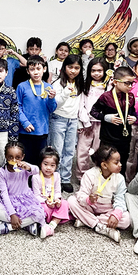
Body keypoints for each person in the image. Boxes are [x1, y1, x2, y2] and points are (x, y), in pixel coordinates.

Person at [68, 145, 130, 242]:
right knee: (71, 201)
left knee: (126, 219)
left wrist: (115, 214)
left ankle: (87, 221)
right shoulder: (89, 174)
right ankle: (100, 227)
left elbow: (120, 198)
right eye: (116, 162)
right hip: (90, 207)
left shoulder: (120, 178)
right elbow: (81, 195)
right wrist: (89, 199)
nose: (120, 165)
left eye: (120, 161)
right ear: (104, 165)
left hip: (107, 208)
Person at [0, 140, 46, 237]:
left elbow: (37, 171)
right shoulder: (1, 171)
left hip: (25, 200)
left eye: (18, 157)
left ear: (22, 157)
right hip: (8, 199)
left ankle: (8, 227)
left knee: (39, 214)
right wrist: (12, 214)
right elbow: (4, 194)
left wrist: (28, 168)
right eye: (10, 157)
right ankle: (25, 225)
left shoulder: (24, 167)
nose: (14, 160)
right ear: (6, 156)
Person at [90, 66, 136, 178]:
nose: (130, 86)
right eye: (127, 83)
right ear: (115, 82)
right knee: (106, 162)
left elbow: (133, 111)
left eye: (132, 83)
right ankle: (101, 185)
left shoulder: (130, 96)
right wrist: (106, 117)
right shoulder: (106, 97)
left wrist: (133, 117)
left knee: (122, 162)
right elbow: (93, 111)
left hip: (125, 138)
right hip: (108, 138)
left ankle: (119, 186)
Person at [48, 54, 84, 192]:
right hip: (59, 119)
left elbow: (79, 104)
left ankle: (65, 179)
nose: (73, 71)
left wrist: (79, 122)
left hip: (73, 120)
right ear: (64, 68)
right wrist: (64, 93)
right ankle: (54, 177)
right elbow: (55, 105)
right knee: (57, 150)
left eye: (76, 68)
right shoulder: (57, 83)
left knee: (69, 151)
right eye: (70, 67)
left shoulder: (79, 83)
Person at [16, 55, 57, 164]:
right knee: (25, 160)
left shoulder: (49, 87)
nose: (35, 72)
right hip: (25, 131)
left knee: (39, 161)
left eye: (38, 69)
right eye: (32, 69)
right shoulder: (22, 86)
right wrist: (25, 123)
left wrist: (52, 99)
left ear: (44, 69)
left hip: (42, 131)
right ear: (27, 71)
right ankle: (25, 181)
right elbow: (17, 107)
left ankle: (37, 181)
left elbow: (52, 109)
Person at [75, 57, 108, 180]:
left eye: (100, 70)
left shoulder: (108, 87)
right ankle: (81, 176)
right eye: (93, 70)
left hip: (102, 123)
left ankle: (97, 176)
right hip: (86, 123)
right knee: (82, 151)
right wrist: (85, 122)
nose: (96, 73)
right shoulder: (85, 86)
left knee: (99, 151)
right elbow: (81, 105)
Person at [31, 147, 71, 237]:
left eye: (52, 165)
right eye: (45, 164)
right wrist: (46, 201)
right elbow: (36, 196)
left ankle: (52, 226)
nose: (48, 168)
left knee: (65, 204)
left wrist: (57, 199)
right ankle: (55, 219)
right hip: (43, 203)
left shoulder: (56, 175)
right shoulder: (36, 177)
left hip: (53, 202)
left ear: (56, 166)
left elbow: (57, 191)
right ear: (40, 163)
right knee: (39, 210)